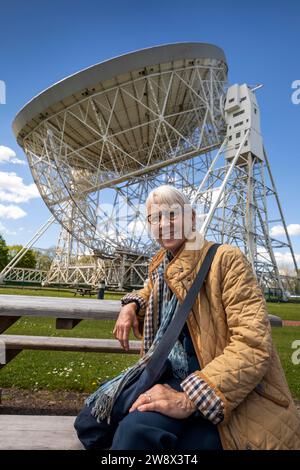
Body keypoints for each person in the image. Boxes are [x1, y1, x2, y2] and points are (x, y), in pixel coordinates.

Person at [75, 185, 300, 450]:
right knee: (90, 424)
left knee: (134, 435)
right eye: (155, 218)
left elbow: (253, 346)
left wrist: (188, 399)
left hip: (220, 382)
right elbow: (154, 289)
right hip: (170, 373)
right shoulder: (162, 265)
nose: (164, 224)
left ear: (192, 218)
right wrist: (131, 304)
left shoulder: (226, 260)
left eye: (172, 214)